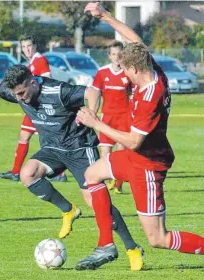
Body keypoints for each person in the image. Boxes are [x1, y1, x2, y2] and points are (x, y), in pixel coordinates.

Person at [0, 65, 145, 271]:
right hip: (52, 148)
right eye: (16, 95)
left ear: (33, 82)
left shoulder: (58, 91)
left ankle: (132, 248)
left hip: (79, 148)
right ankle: (68, 210)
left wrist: (91, 114)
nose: (21, 99)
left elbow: (93, 92)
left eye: (23, 93)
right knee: (28, 174)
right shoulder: (17, 92)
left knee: (97, 204)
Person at [75, 2, 204, 270]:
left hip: (148, 164)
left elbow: (134, 141)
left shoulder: (149, 97)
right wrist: (105, 15)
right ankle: (105, 245)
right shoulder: (152, 70)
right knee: (92, 175)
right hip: (135, 157)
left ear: (134, 70)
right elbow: (134, 39)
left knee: (158, 237)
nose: (123, 74)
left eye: (124, 70)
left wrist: (96, 123)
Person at [0, 34, 67, 182]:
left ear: (35, 46)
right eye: (24, 47)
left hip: (39, 107)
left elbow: (48, 80)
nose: (27, 49)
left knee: (48, 139)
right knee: (25, 136)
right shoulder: (31, 63)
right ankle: (16, 172)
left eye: (29, 46)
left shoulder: (40, 60)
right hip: (33, 107)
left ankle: (59, 173)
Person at [90, 40, 132, 194]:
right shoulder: (102, 73)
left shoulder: (129, 72)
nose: (117, 57)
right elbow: (95, 93)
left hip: (124, 118)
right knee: (105, 152)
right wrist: (92, 112)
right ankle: (106, 181)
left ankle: (118, 184)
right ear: (109, 56)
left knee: (121, 151)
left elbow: (134, 95)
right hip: (107, 118)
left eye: (119, 54)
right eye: (114, 54)